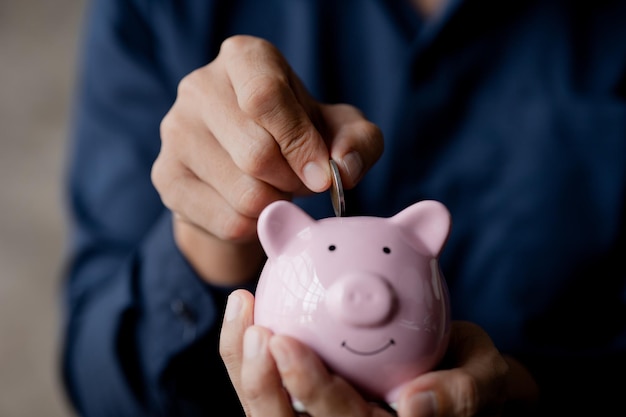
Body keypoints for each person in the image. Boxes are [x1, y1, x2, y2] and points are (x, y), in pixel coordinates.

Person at [60, 0, 626, 416]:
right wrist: (211, 236)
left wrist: (528, 396)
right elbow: (100, 389)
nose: (368, 298)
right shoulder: (161, 12)